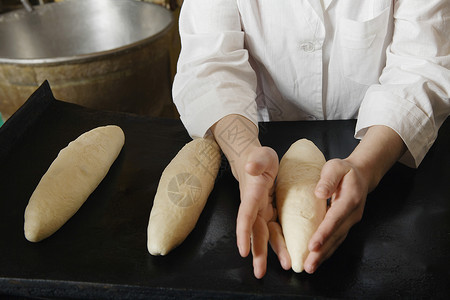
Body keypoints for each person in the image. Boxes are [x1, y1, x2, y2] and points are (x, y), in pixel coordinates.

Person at [171, 0, 450, 278]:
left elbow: (420, 65)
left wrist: (365, 168)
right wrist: (244, 156)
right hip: (260, 145)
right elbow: (210, 66)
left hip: (382, 147)